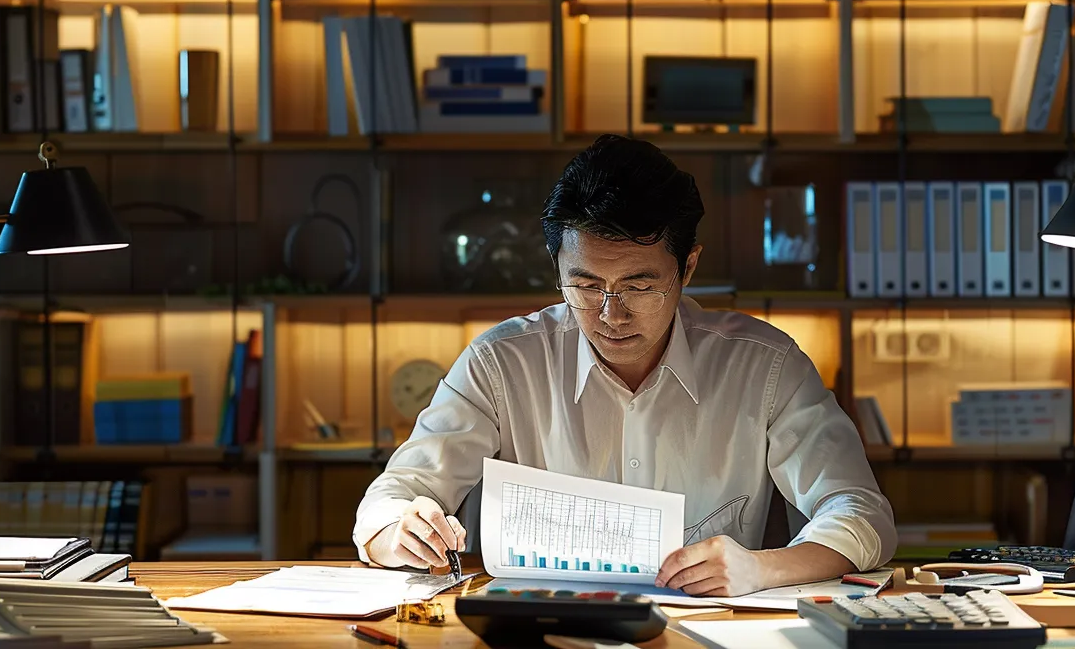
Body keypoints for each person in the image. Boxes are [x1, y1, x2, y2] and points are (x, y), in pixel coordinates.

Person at [352, 135, 897, 596]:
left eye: (640, 285)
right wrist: (400, 530)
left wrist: (762, 568)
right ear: (558, 267)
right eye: (585, 285)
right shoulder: (502, 364)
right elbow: (390, 498)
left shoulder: (764, 367)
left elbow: (860, 513)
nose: (611, 313)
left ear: (687, 268)